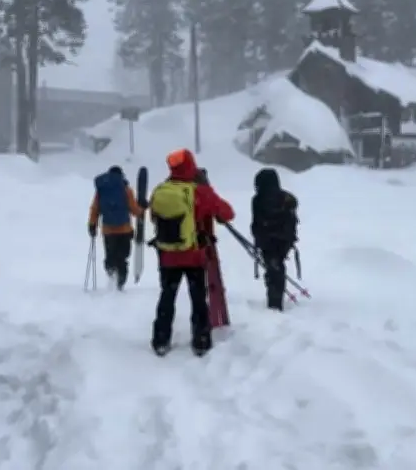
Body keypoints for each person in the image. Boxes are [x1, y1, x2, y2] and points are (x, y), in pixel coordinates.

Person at [148, 149, 234, 356]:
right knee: (197, 298)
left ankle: (161, 339)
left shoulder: (161, 190)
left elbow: (154, 218)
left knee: (167, 296)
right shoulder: (199, 191)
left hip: (167, 255)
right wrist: (206, 188)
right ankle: (201, 340)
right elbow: (227, 213)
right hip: (194, 255)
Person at [87, 165, 145, 290]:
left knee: (110, 255)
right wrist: (142, 210)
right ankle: (120, 284)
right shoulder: (126, 189)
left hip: (108, 231)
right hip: (125, 230)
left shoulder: (102, 190)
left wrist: (92, 225)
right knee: (122, 258)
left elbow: (95, 209)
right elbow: (134, 210)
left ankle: (111, 273)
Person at [251, 168, 298, 312]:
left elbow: (256, 222)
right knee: (277, 267)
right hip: (284, 241)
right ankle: (276, 298)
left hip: (268, 241)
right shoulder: (285, 198)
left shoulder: (258, 199)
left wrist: (258, 240)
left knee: (273, 270)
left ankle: (274, 303)